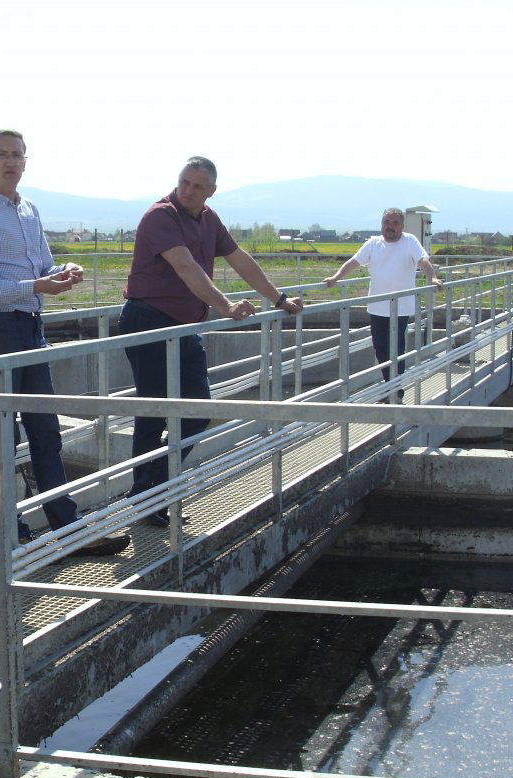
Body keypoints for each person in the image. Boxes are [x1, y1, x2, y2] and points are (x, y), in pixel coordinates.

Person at [0, 128, 127, 555]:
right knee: (2, 437)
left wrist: (63, 272)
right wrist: (35, 285)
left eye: (17, 154)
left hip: (31, 328)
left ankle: (67, 527)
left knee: (46, 431)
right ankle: (10, 534)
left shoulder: (29, 209)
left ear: (25, 161)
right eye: (1, 154)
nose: (10, 161)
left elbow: (44, 266)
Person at [119, 156, 303, 523]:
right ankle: (146, 498)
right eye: (184, 182)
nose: (188, 190)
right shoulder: (161, 216)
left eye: (197, 186)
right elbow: (186, 266)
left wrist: (278, 299)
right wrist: (225, 306)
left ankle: (151, 489)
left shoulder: (208, 219)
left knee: (198, 410)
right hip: (148, 321)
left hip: (185, 326)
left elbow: (240, 260)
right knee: (154, 411)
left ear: (211, 191)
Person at [323, 208, 443, 399]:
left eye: (395, 223)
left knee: (396, 348)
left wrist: (433, 278)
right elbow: (354, 262)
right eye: (387, 222)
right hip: (377, 306)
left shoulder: (409, 241)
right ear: (382, 224)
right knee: (380, 347)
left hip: (400, 307)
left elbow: (423, 261)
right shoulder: (373, 244)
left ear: (402, 226)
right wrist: (336, 277)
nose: (390, 226)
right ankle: (391, 386)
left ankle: (394, 389)